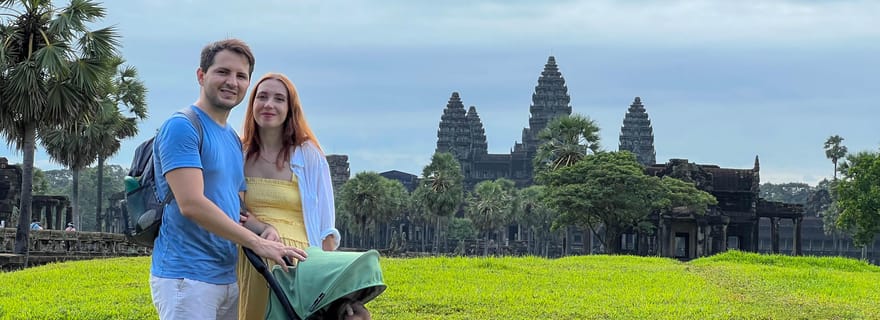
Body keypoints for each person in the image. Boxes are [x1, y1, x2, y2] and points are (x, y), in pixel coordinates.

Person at [149, 39, 308, 320]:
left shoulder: (233, 140)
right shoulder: (182, 126)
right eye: (222, 72)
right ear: (201, 75)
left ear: (247, 85)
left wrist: (264, 228)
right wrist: (257, 244)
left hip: (226, 277)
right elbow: (192, 204)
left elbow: (237, 208)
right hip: (187, 277)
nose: (231, 82)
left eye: (241, 76)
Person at [236, 72, 340, 319]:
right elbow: (232, 207)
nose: (269, 104)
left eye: (279, 99)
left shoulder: (308, 155)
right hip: (252, 260)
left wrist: (327, 284)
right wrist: (262, 229)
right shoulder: (238, 152)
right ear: (252, 105)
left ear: (290, 108)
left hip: (298, 263)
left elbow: (326, 227)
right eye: (262, 97)